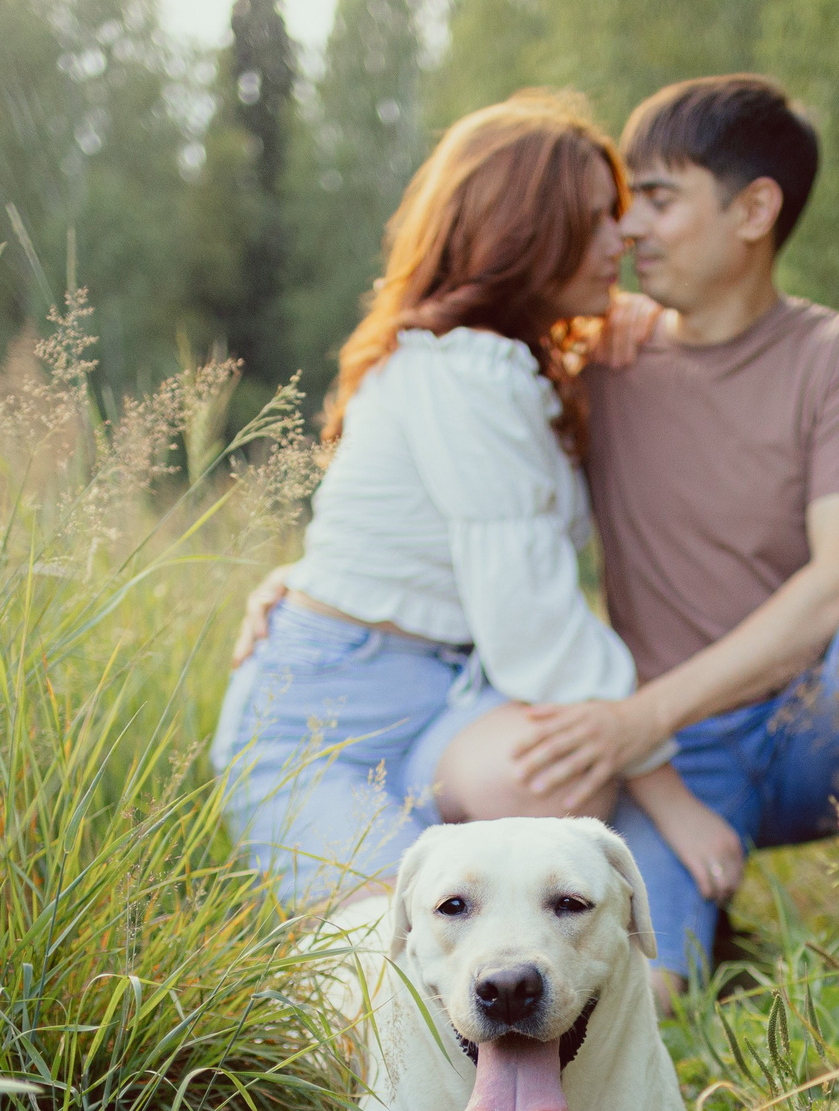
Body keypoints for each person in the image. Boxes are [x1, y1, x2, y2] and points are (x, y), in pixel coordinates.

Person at [504, 75, 839, 999]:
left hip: (806, 731)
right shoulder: (601, 348)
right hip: (673, 766)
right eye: (626, 202)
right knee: (638, 1004)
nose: (628, 228)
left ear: (754, 210)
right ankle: (708, 931)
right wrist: (323, 587)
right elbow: (450, 440)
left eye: (659, 199)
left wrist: (643, 715)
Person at [211, 93, 738, 906]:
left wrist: (633, 321)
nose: (623, 238)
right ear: (523, 229)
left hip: (453, 694)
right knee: (404, 952)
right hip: (320, 722)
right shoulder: (462, 371)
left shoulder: (511, 368)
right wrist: (672, 801)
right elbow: (533, 620)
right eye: (594, 220)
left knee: (556, 773)